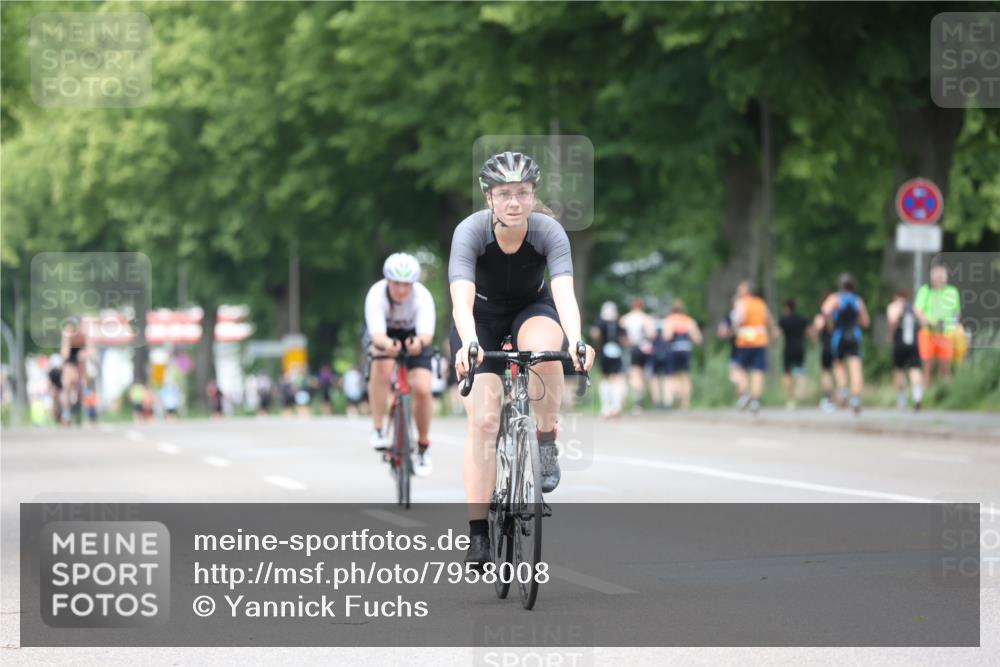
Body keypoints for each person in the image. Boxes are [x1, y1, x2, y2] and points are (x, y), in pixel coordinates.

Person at [449, 151, 595, 567]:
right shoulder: (470, 232)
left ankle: (546, 437)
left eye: (523, 193)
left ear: (533, 196)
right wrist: (467, 343)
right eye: (505, 194)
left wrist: (578, 341)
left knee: (548, 345)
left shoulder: (549, 231)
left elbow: (564, 294)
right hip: (478, 320)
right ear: (489, 198)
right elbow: (460, 300)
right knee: (484, 420)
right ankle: (478, 533)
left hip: (532, 309)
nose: (514, 202)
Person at [364, 252, 436, 477]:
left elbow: (427, 334)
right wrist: (387, 344)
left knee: (422, 388)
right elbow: (376, 335)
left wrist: (418, 343)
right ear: (388, 281)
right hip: (384, 335)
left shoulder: (422, 297)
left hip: (415, 336)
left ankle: (423, 446)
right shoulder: (376, 294)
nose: (402, 290)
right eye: (396, 284)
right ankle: (378, 429)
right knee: (382, 365)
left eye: (407, 285)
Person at [822, 273, 870, 415]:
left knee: (839, 365)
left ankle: (843, 390)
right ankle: (855, 399)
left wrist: (830, 324)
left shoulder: (835, 298)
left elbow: (825, 311)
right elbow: (866, 322)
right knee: (856, 368)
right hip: (854, 334)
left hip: (839, 335)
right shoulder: (857, 300)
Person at [730, 281, 776, 414]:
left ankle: (745, 393)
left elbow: (738, 318)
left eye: (740, 289)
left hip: (745, 341)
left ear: (746, 291)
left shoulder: (741, 302)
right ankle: (755, 400)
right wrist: (773, 334)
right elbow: (770, 321)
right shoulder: (761, 303)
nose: (738, 290)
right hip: (760, 341)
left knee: (740, 369)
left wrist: (732, 329)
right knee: (758, 371)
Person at [915, 264, 961, 386]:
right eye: (937, 276)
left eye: (942, 276)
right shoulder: (925, 290)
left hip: (946, 333)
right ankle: (926, 396)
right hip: (928, 333)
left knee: (946, 367)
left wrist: (953, 326)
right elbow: (918, 310)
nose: (940, 279)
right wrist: (928, 322)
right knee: (928, 367)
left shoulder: (952, 291)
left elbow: (956, 313)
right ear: (932, 278)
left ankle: (946, 396)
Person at [887, 289, 926, 411]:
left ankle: (902, 400)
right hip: (913, 342)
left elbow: (892, 320)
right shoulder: (913, 307)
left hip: (899, 341)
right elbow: (925, 322)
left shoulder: (894, 307)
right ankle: (917, 397)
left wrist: (892, 335)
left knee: (899, 370)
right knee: (915, 369)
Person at [662, 299, 703, 410]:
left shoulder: (669, 320)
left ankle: (673, 398)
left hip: (674, 350)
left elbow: (667, 336)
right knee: (685, 377)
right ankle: (685, 404)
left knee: (673, 376)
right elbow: (698, 339)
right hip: (686, 350)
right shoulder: (689, 320)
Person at [589, 301, 627, 418]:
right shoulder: (619, 323)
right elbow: (625, 339)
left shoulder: (600, 322)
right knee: (616, 378)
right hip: (616, 351)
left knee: (605, 378)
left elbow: (594, 334)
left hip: (604, 351)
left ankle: (606, 408)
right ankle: (616, 407)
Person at [620, 298, 655, 412]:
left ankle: (637, 402)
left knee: (634, 375)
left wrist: (628, 342)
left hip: (633, 348)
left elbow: (621, 336)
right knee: (643, 375)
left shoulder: (625, 318)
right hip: (644, 348)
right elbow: (651, 334)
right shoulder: (646, 318)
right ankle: (641, 401)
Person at [778, 298, 809, 409]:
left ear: (786, 308)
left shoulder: (783, 321)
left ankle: (791, 398)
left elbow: (777, 334)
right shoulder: (801, 320)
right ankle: (800, 392)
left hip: (788, 349)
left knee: (787, 374)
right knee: (800, 372)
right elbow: (809, 333)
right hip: (799, 349)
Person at [810, 293, 837, 411]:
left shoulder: (821, 316)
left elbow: (815, 333)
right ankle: (841, 396)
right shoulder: (838, 314)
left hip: (826, 347)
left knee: (826, 373)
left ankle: (828, 398)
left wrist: (814, 334)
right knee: (837, 372)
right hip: (838, 346)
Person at [59, 317, 89, 423]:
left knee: (81, 378)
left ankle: (81, 393)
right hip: (69, 363)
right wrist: (67, 338)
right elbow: (64, 354)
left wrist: (85, 354)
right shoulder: (67, 335)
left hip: (79, 363)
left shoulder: (83, 336)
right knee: (66, 384)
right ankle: (66, 411)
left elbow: (89, 351)